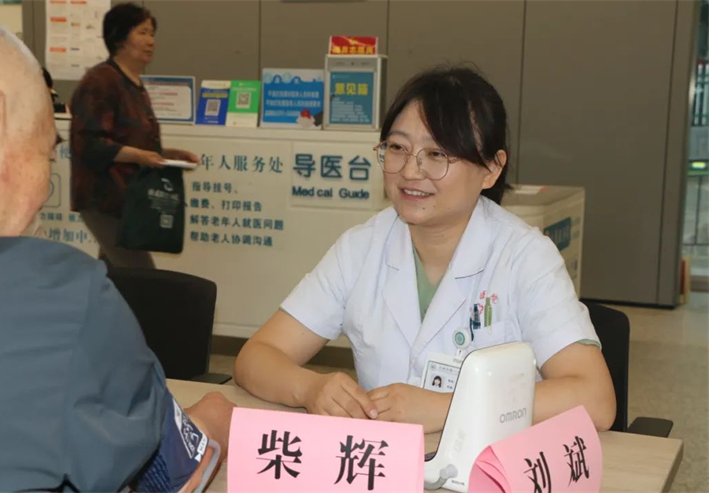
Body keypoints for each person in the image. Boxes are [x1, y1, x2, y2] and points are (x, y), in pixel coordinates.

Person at [235, 66, 617, 433]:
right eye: (398, 147)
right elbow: (257, 356)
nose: (409, 171)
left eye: (437, 155)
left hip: (490, 463)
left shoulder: (525, 257)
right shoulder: (361, 248)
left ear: (491, 168)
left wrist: (447, 406)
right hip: (386, 462)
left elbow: (595, 399)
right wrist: (310, 388)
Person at [0, 9, 234, 492]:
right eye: (47, 152)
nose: (45, 188)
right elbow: (174, 475)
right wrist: (210, 425)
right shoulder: (63, 298)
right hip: (109, 203)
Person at [70, 2, 198, 269]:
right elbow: (90, 143)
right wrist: (140, 156)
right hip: (104, 198)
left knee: (113, 278)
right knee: (141, 277)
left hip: (128, 200)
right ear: (119, 37)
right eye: (142, 32)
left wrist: (167, 155)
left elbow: (130, 140)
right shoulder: (101, 81)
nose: (151, 41)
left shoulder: (134, 84)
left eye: (152, 34)